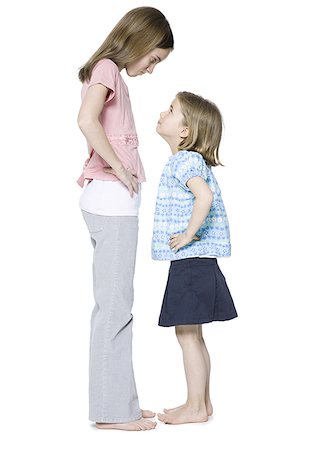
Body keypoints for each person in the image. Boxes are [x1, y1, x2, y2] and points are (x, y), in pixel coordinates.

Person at [77, 7, 173, 431]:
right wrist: (117, 166)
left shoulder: (110, 72)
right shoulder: (106, 68)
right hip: (110, 206)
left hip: (114, 206)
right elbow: (85, 120)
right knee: (114, 310)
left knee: (118, 308)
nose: (151, 69)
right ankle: (110, 413)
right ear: (136, 40)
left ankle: (123, 404)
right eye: (152, 59)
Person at [151, 91, 238, 425]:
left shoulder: (184, 161)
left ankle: (195, 407)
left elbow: (205, 195)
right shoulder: (189, 161)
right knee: (193, 335)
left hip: (191, 259)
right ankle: (202, 403)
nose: (163, 112)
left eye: (171, 110)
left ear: (184, 131)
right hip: (199, 261)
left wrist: (188, 234)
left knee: (187, 335)